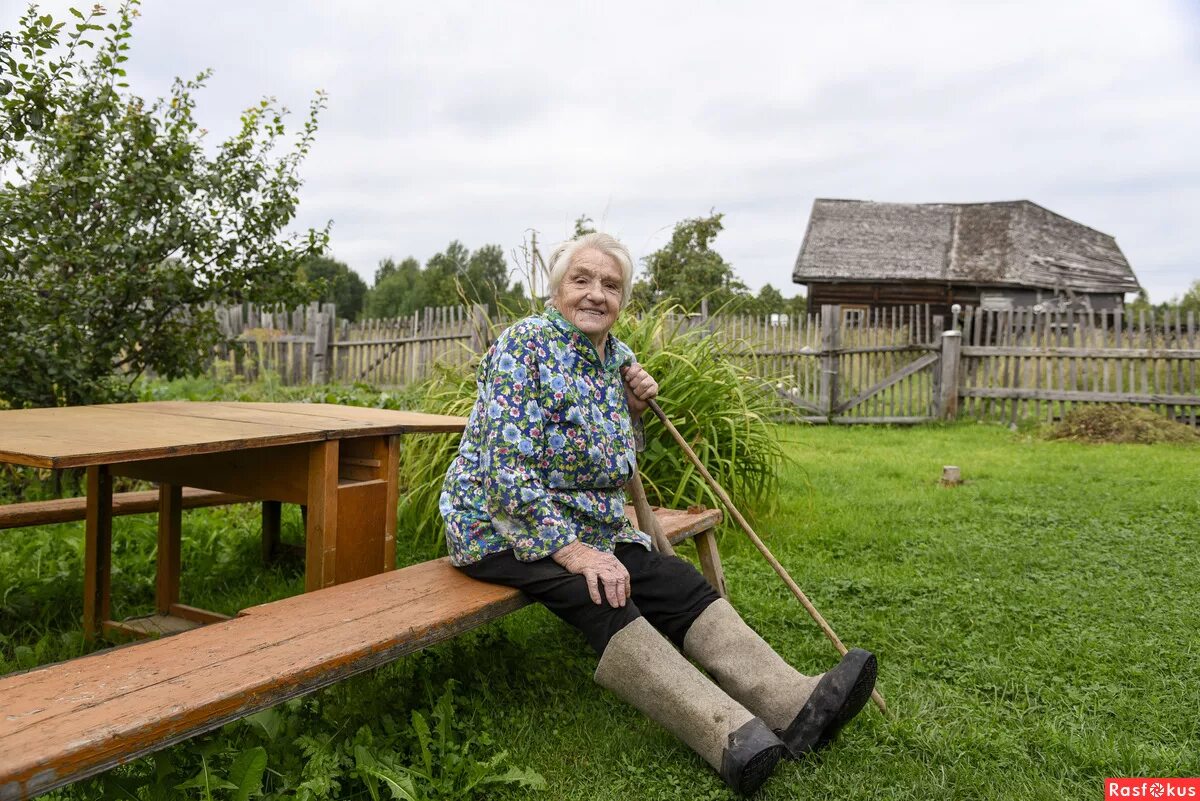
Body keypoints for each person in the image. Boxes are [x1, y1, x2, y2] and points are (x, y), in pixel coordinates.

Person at [439, 232, 877, 795]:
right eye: (582, 280)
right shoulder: (524, 347)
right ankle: (726, 734)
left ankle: (790, 704)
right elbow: (505, 470)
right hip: (499, 524)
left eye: (611, 285)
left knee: (670, 578)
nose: (596, 294)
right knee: (598, 591)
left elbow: (612, 456)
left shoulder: (612, 357)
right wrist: (574, 552)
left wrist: (633, 409)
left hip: (586, 519)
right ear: (555, 290)